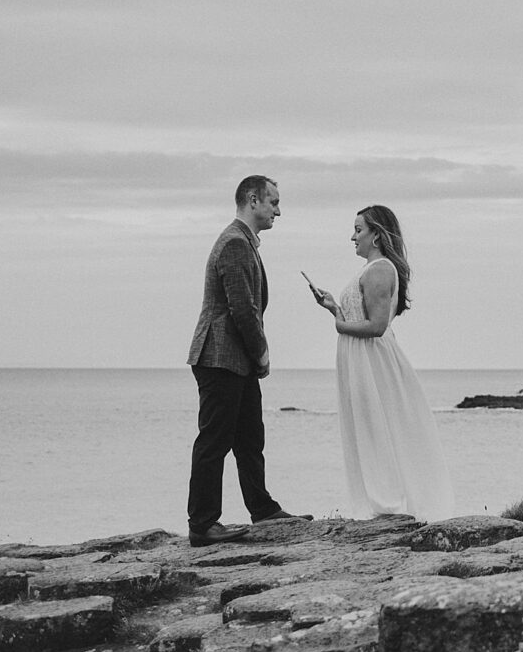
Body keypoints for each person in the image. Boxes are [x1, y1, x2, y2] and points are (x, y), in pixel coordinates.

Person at [186, 176, 311, 547]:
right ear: (252, 200)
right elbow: (243, 309)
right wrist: (261, 353)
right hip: (220, 356)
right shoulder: (235, 243)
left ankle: (262, 508)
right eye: (272, 202)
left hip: (232, 359)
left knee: (249, 437)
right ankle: (203, 524)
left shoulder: (243, 242)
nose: (278, 210)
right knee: (214, 440)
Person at [311, 205, 454, 521]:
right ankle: (378, 502)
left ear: (376, 235)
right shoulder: (371, 269)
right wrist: (334, 308)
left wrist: (339, 325)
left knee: (376, 428)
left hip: (371, 361)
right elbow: (363, 318)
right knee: (367, 428)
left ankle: (386, 504)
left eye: (358, 230)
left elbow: (376, 327)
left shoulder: (379, 270)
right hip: (361, 359)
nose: (353, 237)